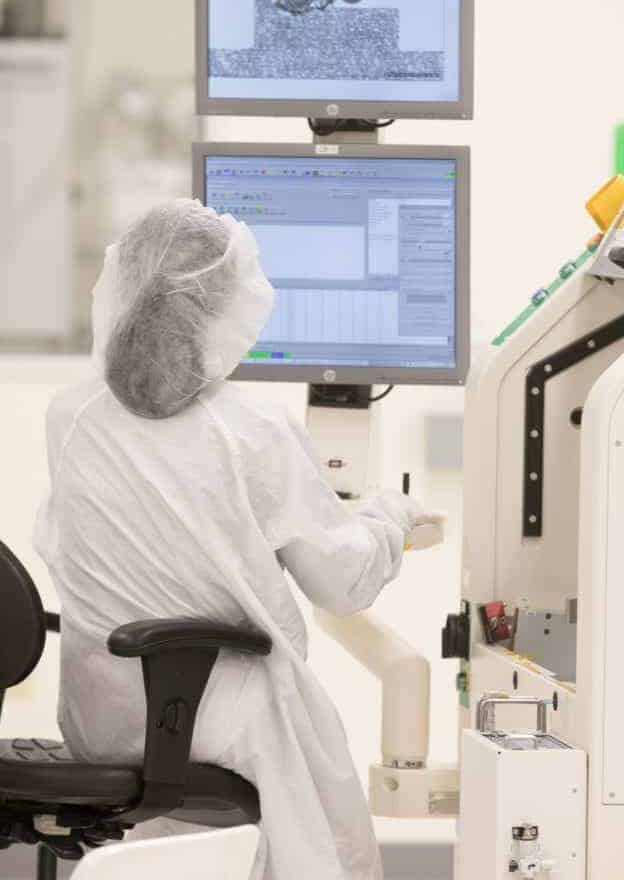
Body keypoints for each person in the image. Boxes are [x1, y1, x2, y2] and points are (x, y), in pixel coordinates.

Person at [34, 199, 444, 880]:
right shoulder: (251, 428)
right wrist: (390, 518)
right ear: (222, 311)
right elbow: (339, 584)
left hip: (98, 715)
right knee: (324, 808)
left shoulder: (69, 415)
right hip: (213, 716)